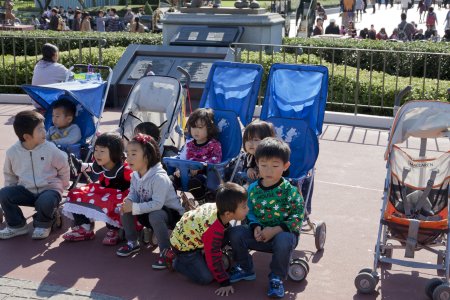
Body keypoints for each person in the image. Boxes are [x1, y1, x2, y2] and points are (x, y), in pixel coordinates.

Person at [228, 137, 304, 299]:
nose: (268, 170)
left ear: (285, 166)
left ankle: (276, 277)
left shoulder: (289, 191)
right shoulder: (253, 189)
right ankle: (244, 267)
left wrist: (275, 230)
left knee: (284, 240)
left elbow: (298, 216)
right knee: (234, 233)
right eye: (263, 165)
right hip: (259, 234)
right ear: (257, 164)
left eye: (275, 166)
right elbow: (248, 211)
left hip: (282, 235)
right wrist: (255, 226)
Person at [168, 183, 248, 296]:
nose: (247, 209)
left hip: (195, 234)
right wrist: (224, 282)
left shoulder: (220, 208)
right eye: (244, 207)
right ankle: (176, 262)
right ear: (228, 213)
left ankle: (203, 253)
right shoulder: (213, 229)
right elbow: (214, 256)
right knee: (206, 278)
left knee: (228, 233)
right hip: (184, 249)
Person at [117, 134, 184, 270]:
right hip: (148, 210)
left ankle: (165, 251)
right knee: (124, 207)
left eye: (133, 154)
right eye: (127, 154)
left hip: (171, 216)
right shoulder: (136, 174)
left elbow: (157, 204)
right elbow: (134, 193)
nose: (128, 158)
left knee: (155, 214)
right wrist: (129, 202)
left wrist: (134, 207)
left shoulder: (159, 177)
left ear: (147, 156)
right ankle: (132, 242)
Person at [0, 111, 70, 240]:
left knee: (47, 200)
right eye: (40, 130)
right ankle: (17, 226)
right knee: (3, 193)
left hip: (48, 190)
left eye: (44, 128)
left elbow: (63, 166)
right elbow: (9, 175)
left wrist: (63, 185)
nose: (45, 132)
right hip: (26, 191)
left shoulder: (50, 149)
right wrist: (9, 194)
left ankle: (43, 225)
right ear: (27, 137)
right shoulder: (12, 153)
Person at [62, 133, 132, 245]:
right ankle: (85, 226)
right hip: (102, 190)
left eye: (102, 151)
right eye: (96, 150)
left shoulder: (124, 168)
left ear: (114, 153)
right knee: (75, 194)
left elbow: (136, 180)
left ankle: (114, 229)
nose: (97, 154)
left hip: (120, 195)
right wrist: (79, 165)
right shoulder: (100, 163)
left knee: (112, 204)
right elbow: (91, 167)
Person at [171, 108, 222, 205]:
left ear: (209, 128)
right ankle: (173, 204)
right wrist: (178, 169)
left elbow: (216, 160)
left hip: (205, 175)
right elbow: (181, 157)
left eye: (200, 127)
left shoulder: (214, 144)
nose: (195, 131)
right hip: (186, 172)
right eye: (193, 127)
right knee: (169, 180)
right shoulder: (189, 144)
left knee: (195, 182)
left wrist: (199, 166)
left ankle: (200, 204)